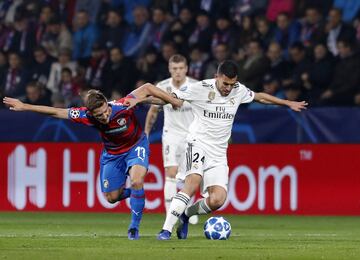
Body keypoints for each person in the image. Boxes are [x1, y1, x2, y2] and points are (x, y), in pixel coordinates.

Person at [3, 83, 182, 240]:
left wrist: (173, 101)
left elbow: (148, 87)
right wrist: (24, 106)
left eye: (106, 111)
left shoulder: (122, 105)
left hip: (136, 146)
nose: (104, 116)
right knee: (112, 198)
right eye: (100, 115)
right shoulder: (85, 115)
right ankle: (137, 193)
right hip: (112, 155)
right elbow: (57, 111)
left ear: (107, 103)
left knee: (136, 180)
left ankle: (134, 227)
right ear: (91, 113)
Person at [152, 60, 307, 240]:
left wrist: (287, 103)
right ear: (216, 77)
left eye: (232, 84)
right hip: (197, 143)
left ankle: (186, 214)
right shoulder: (199, 87)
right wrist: (144, 98)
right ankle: (166, 230)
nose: (228, 88)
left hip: (218, 153)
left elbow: (260, 97)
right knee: (192, 182)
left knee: (218, 200)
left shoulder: (238, 90)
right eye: (225, 83)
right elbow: (170, 97)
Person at [144, 54, 199, 225]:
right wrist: (146, 133)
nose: (178, 72)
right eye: (174, 69)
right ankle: (170, 214)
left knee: (190, 175)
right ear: (170, 69)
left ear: (186, 69)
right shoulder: (162, 87)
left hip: (191, 135)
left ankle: (188, 210)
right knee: (171, 173)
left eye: (181, 68)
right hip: (171, 135)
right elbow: (153, 112)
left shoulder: (195, 86)